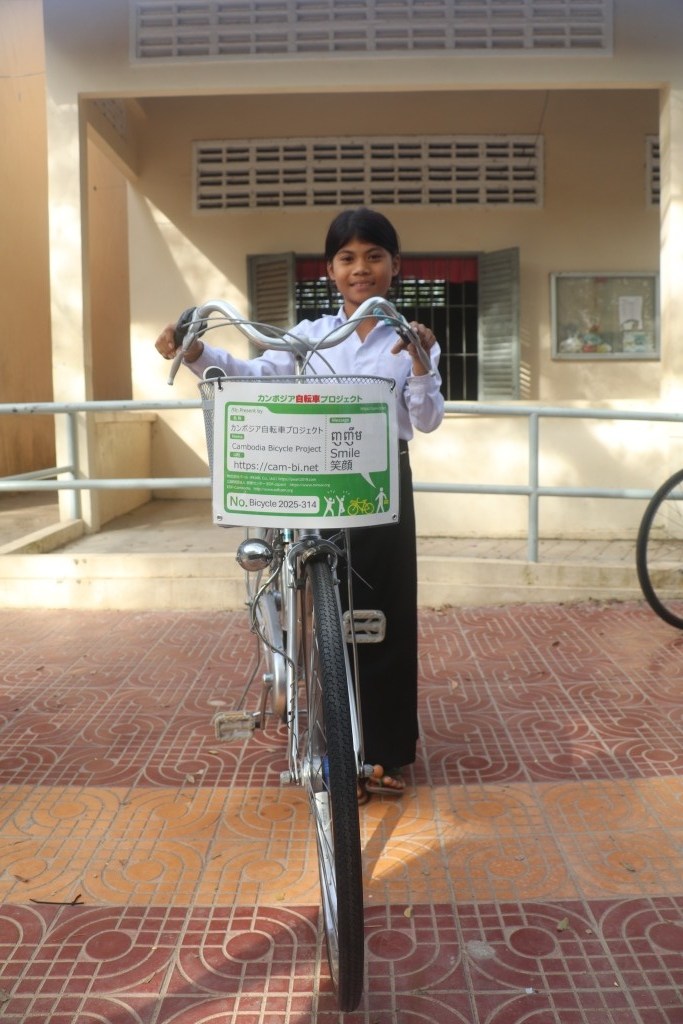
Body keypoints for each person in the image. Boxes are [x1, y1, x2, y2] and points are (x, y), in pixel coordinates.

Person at [156, 207, 444, 799]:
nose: (360, 268)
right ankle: (334, 751)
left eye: (373, 256)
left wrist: (419, 362)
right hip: (316, 487)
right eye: (347, 257)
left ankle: (384, 751)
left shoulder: (410, 338)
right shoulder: (308, 336)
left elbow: (427, 419)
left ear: (395, 265)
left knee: (384, 618)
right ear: (330, 270)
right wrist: (196, 352)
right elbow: (248, 374)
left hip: (381, 487)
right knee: (320, 622)